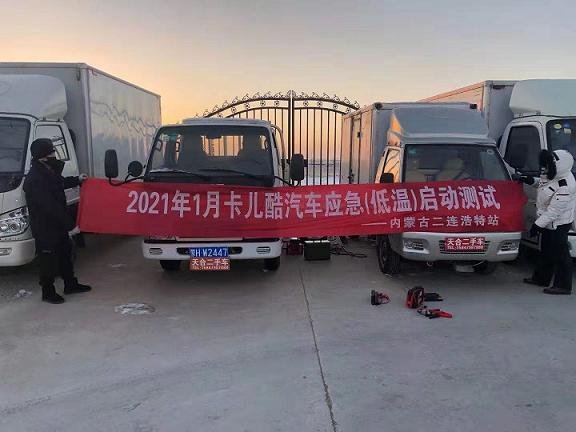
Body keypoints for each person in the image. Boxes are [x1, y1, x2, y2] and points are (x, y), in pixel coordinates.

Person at [23, 138, 92, 304]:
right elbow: (50, 206)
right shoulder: (35, 179)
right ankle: (47, 292)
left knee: (65, 254)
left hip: (57, 225)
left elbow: (60, 182)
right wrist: (70, 225)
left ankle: (70, 284)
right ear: (42, 158)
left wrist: (77, 180)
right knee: (48, 260)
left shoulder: (48, 172)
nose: (54, 155)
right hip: (45, 228)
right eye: (51, 153)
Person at [519, 149, 576, 295]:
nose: (544, 168)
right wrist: (529, 180)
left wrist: (537, 225)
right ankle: (541, 278)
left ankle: (563, 286)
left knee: (561, 255)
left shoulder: (565, 186)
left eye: (547, 165)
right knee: (546, 251)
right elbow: (544, 184)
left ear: (558, 166)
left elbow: (554, 211)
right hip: (548, 222)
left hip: (559, 223)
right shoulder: (554, 175)